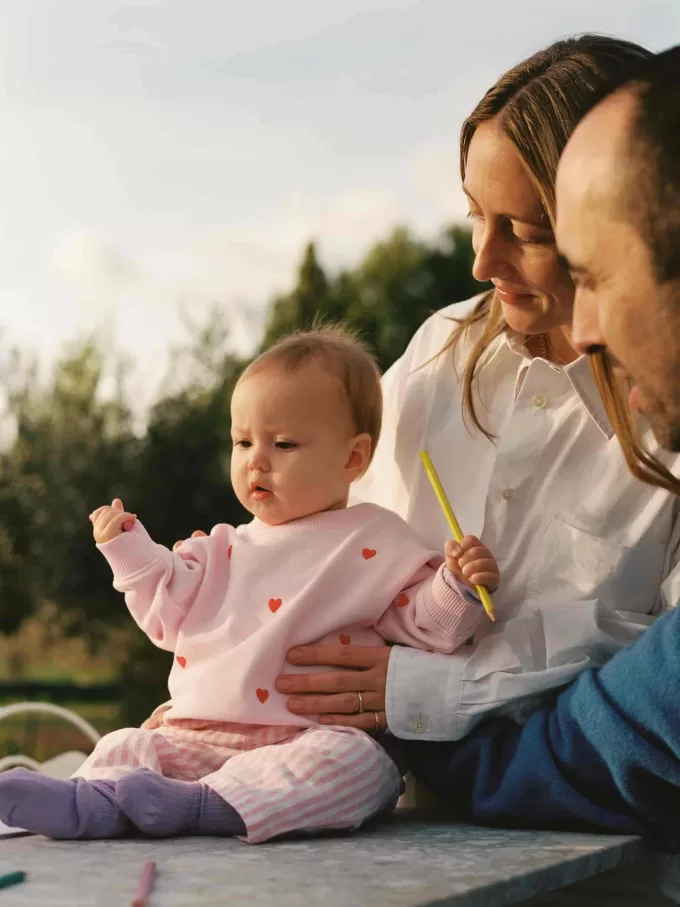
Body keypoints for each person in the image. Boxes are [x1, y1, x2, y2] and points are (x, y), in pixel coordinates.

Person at [263, 35, 680, 755]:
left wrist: (424, 689)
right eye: (474, 217)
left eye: (524, 230)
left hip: (587, 851)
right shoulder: (436, 351)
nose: (483, 260)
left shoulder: (665, 408)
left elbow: (658, 677)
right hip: (357, 804)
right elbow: (313, 540)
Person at [0, 327, 500, 843]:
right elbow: (165, 613)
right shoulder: (220, 547)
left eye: (282, 444)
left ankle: (195, 806)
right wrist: (129, 547)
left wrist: (457, 586)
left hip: (306, 737)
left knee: (359, 766)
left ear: (353, 458)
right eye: (242, 442)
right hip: (197, 732)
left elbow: (426, 627)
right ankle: (91, 804)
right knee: (127, 745)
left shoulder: (375, 539)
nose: (255, 459)